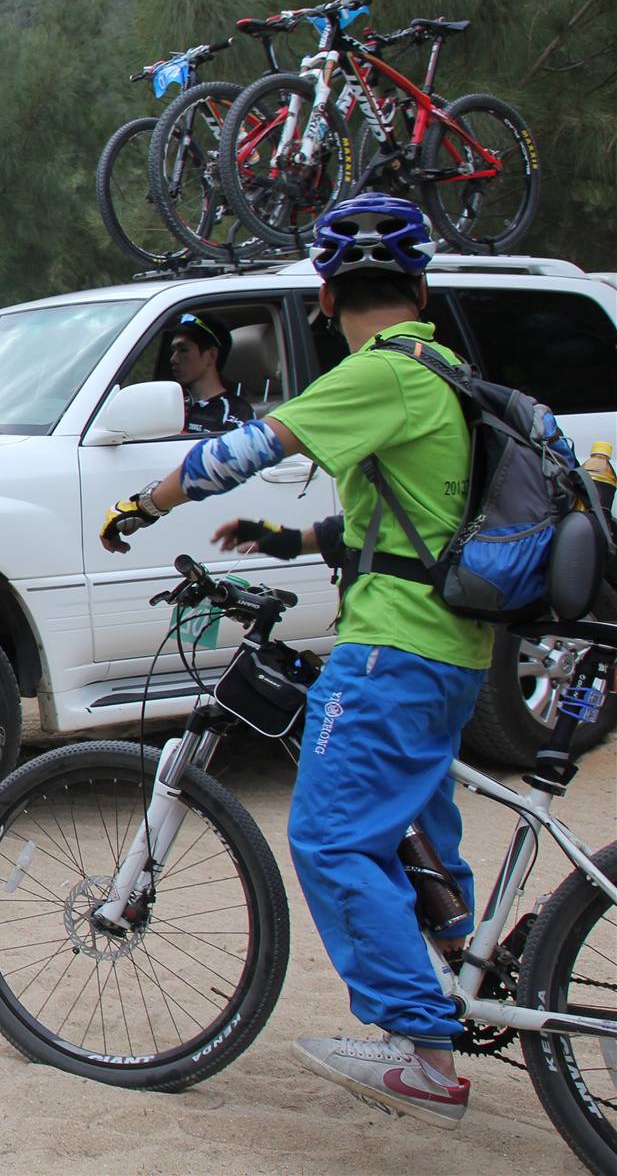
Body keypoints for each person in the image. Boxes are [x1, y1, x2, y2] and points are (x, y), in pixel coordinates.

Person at [98, 194, 489, 1128]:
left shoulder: (379, 372)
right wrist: (284, 538)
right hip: (449, 648)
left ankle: (422, 1052)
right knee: (414, 831)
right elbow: (403, 518)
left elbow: (241, 450)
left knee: (329, 834)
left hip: (391, 649)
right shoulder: (444, 370)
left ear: (322, 297)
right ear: (420, 291)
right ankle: (467, 974)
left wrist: (142, 505)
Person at [170, 312, 256, 433]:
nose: (173, 359)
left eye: (183, 350)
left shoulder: (235, 411)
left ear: (211, 355)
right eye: (173, 351)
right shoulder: (171, 405)